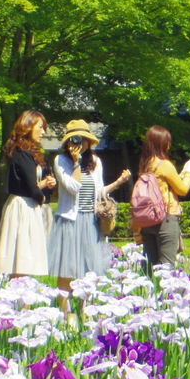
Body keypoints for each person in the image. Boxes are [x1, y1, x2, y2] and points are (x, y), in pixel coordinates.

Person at [49, 119, 130, 293]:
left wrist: (118, 182)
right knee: (67, 268)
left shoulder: (95, 161)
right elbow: (72, 187)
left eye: (83, 139)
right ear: (67, 141)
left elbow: (100, 191)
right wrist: (76, 163)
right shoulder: (60, 160)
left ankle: (84, 311)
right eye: (75, 139)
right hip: (70, 220)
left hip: (90, 220)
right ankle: (66, 313)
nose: (79, 143)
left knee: (89, 270)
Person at [0, 110, 58, 278]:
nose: (43, 132)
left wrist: (47, 185)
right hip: (23, 207)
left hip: (29, 206)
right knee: (21, 258)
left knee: (25, 259)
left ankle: (23, 301)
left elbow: (34, 186)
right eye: (40, 127)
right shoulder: (22, 155)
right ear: (28, 127)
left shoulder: (30, 154)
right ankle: (19, 301)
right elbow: (32, 188)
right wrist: (42, 191)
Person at [135, 125, 190, 270]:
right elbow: (182, 190)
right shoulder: (165, 165)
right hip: (165, 218)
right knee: (167, 268)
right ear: (162, 144)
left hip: (147, 220)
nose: (169, 145)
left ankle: (149, 293)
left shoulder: (145, 165)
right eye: (167, 142)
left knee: (150, 268)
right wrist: (189, 172)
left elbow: (166, 186)